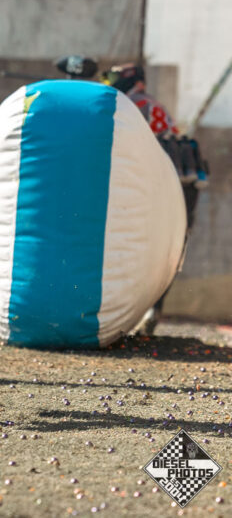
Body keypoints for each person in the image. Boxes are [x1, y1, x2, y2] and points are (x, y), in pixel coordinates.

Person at [99, 61, 205, 335]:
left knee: (136, 244)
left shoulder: (131, 105)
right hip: (181, 181)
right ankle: (151, 310)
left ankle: (134, 311)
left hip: (159, 182)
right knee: (168, 249)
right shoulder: (150, 104)